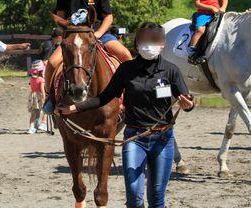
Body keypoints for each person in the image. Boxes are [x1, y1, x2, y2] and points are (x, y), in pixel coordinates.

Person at [56, 22, 194, 208]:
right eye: (144, 41)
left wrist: (188, 104)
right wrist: (74, 109)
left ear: (162, 44)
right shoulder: (126, 70)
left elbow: (186, 99)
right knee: (135, 197)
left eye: (154, 41)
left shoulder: (171, 71)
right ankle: (50, 97)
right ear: (137, 43)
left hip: (163, 139)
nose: (149, 46)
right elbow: (104, 97)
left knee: (157, 198)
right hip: (135, 139)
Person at [45, 0, 132, 88]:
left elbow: (108, 17)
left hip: (100, 34)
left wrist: (98, 34)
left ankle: (132, 91)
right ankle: (49, 96)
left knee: (125, 54)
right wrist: (68, 33)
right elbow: (60, 19)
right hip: (73, 37)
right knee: (51, 63)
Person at [188, 0, 229, 65]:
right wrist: (210, 8)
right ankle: (192, 51)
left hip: (217, 14)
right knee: (201, 30)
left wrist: (223, 7)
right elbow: (197, 3)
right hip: (203, 14)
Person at [27, 60, 46, 134]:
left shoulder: (31, 79)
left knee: (33, 113)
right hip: (39, 97)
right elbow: (42, 90)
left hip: (32, 96)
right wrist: (44, 98)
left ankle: (31, 127)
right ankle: (42, 124)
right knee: (44, 111)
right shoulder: (41, 80)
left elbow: (31, 88)